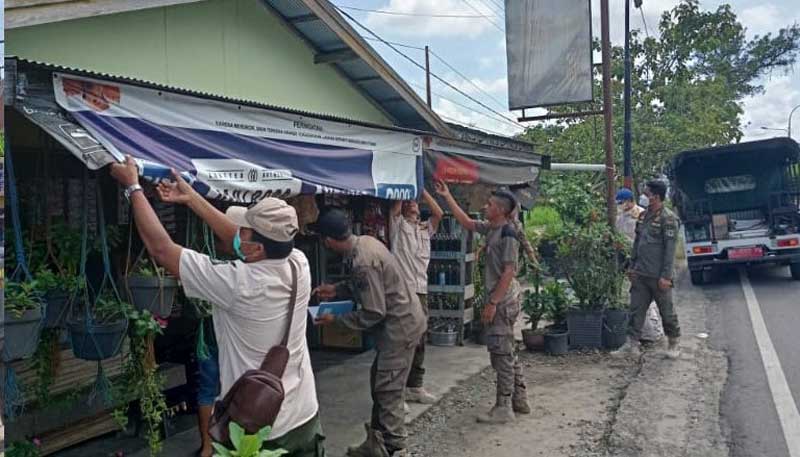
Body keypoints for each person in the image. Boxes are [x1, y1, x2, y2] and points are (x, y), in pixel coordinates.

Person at [109, 157, 325, 456]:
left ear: (257, 248)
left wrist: (133, 187)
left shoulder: (238, 284)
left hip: (260, 432)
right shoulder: (297, 263)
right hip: (303, 415)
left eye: (246, 231)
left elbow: (161, 248)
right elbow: (239, 240)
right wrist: (191, 198)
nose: (238, 234)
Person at [313, 209, 426, 457]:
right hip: (404, 321)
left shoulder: (363, 261)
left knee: (388, 391)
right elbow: (369, 286)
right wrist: (337, 289)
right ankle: (375, 443)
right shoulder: (365, 242)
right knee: (380, 382)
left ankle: (397, 449)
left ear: (328, 241)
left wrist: (337, 320)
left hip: (399, 328)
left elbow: (374, 311)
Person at [433, 181, 530, 423]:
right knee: (506, 350)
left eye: (489, 204)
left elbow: (509, 271)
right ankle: (520, 399)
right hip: (501, 299)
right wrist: (446, 196)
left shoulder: (507, 233)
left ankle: (504, 407)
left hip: (503, 301)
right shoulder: (492, 228)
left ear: (500, 210)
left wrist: (492, 303)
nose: (485, 207)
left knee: (500, 353)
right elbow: (466, 222)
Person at [614, 180, 681, 359]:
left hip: (659, 276)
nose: (643, 196)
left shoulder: (668, 219)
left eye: (646, 193)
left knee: (666, 311)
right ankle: (631, 344)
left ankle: (673, 342)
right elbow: (637, 243)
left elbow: (670, 250)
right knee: (636, 310)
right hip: (641, 273)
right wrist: (631, 266)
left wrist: (666, 276)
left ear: (656, 196)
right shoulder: (643, 216)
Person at [389, 191, 443, 406]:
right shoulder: (398, 226)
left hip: (421, 291)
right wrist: (405, 189)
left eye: (415, 202)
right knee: (403, 342)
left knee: (420, 341)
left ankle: (415, 386)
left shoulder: (424, 230)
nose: (412, 204)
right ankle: (397, 391)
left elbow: (438, 213)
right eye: (408, 202)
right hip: (403, 291)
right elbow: (394, 208)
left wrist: (422, 193)